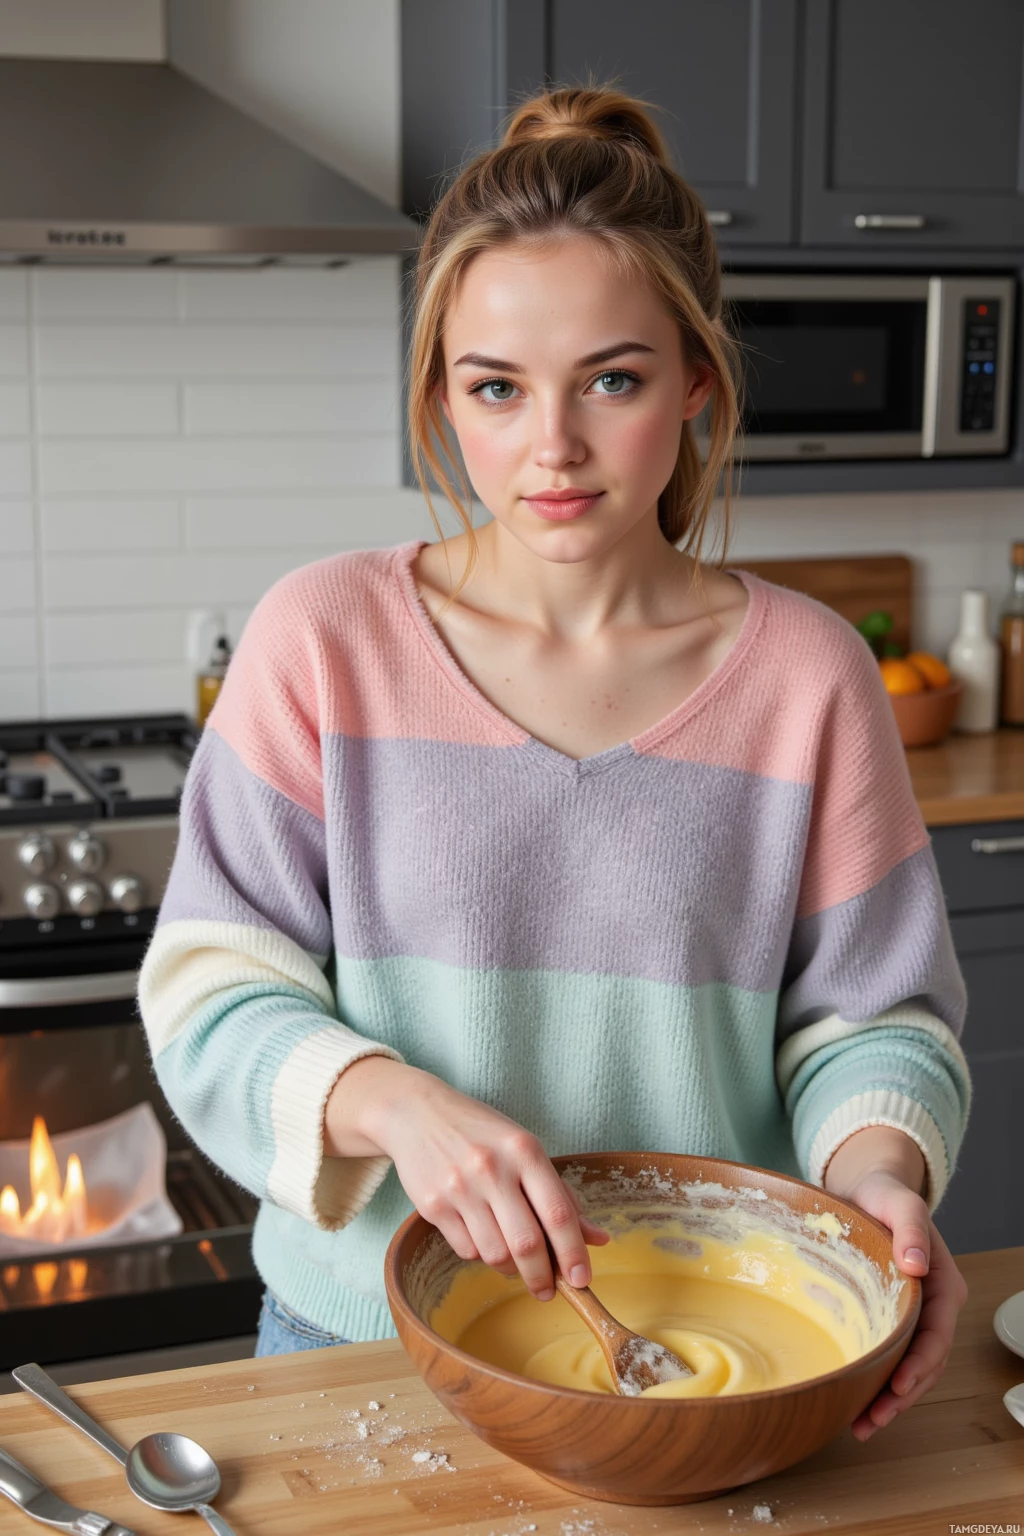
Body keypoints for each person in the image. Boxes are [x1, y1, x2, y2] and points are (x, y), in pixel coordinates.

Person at [138, 85, 970, 1441]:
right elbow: (211, 993)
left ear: (698, 379)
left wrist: (878, 1178)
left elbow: (875, 1022)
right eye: (497, 389)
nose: (553, 449)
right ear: (440, 393)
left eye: (614, 380)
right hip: (363, 1354)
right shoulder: (322, 641)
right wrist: (396, 1107)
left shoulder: (811, 676)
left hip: (720, 1355)